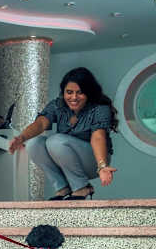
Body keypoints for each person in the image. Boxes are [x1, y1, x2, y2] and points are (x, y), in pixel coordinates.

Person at [8, 67, 118, 200]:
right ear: (63, 92)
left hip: (94, 161)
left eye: (80, 93)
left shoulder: (99, 109)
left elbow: (98, 137)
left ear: (89, 93)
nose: (74, 97)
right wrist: (21, 138)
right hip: (66, 159)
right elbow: (41, 123)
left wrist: (102, 166)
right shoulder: (57, 105)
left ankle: (82, 188)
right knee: (33, 144)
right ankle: (63, 187)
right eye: (69, 92)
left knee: (55, 141)